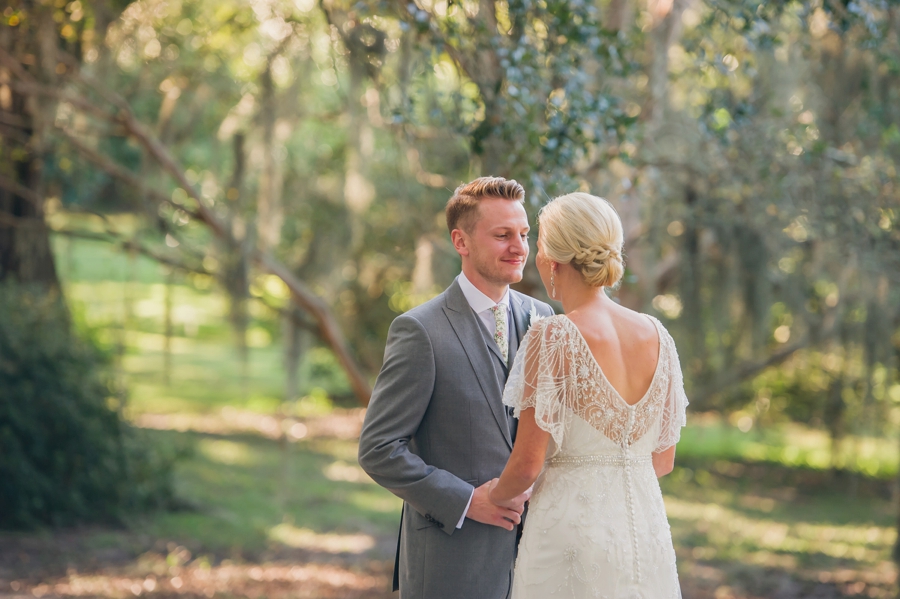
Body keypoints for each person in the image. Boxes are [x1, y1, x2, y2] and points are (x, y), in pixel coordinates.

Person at [358, 176, 555, 599]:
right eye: (502, 235)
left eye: (523, 234)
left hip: (536, 560)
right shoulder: (420, 331)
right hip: (451, 562)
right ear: (460, 242)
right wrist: (467, 501)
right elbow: (378, 449)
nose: (519, 247)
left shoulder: (543, 318)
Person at [488, 192, 688, 598]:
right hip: (645, 534)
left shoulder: (554, 335)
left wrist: (490, 498)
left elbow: (527, 465)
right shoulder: (658, 336)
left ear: (552, 262)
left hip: (570, 536)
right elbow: (663, 461)